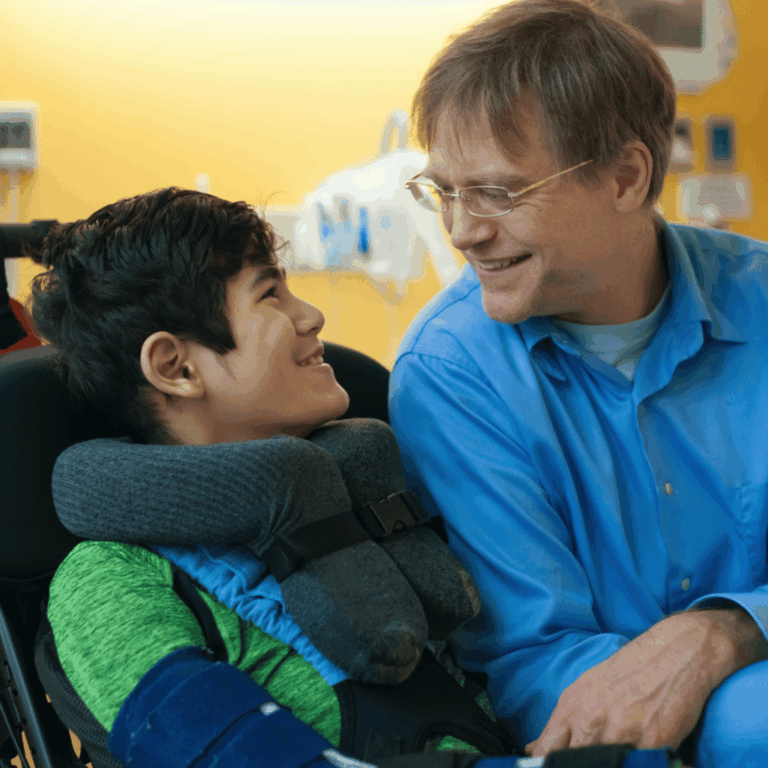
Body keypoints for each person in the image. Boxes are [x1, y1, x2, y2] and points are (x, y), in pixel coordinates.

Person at [386, 2, 768, 768]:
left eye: (496, 192)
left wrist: (725, 630)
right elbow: (534, 661)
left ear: (626, 177)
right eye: (444, 191)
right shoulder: (447, 373)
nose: (461, 230)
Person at [29, 186, 528, 768]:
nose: (311, 316)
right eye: (270, 294)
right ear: (176, 367)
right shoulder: (108, 580)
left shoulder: (364, 497)